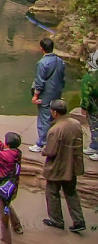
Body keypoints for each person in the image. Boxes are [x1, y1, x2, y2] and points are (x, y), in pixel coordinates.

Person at [42, 99, 86, 232]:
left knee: (52, 192)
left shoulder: (55, 129)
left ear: (54, 112)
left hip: (58, 167)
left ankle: (56, 220)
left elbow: (50, 151)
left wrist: (44, 149)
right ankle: (79, 221)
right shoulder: (76, 123)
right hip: (72, 165)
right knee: (71, 192)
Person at [30, 37, 65, 152]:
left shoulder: (42, 63)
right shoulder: (60, 61)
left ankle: (42, 143)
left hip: (46, 95)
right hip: (56, 92)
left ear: (42, 49)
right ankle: (54, 140)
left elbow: (40, 81)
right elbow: (62, 78)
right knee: (54, 118)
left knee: (44, 118)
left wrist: (35, 96)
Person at [81, 51, 98, 161]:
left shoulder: (89, 78)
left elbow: (86, 94)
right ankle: (93, 146)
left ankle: (96, 148)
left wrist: (84, 106)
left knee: (95, 126)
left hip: (94, 108)